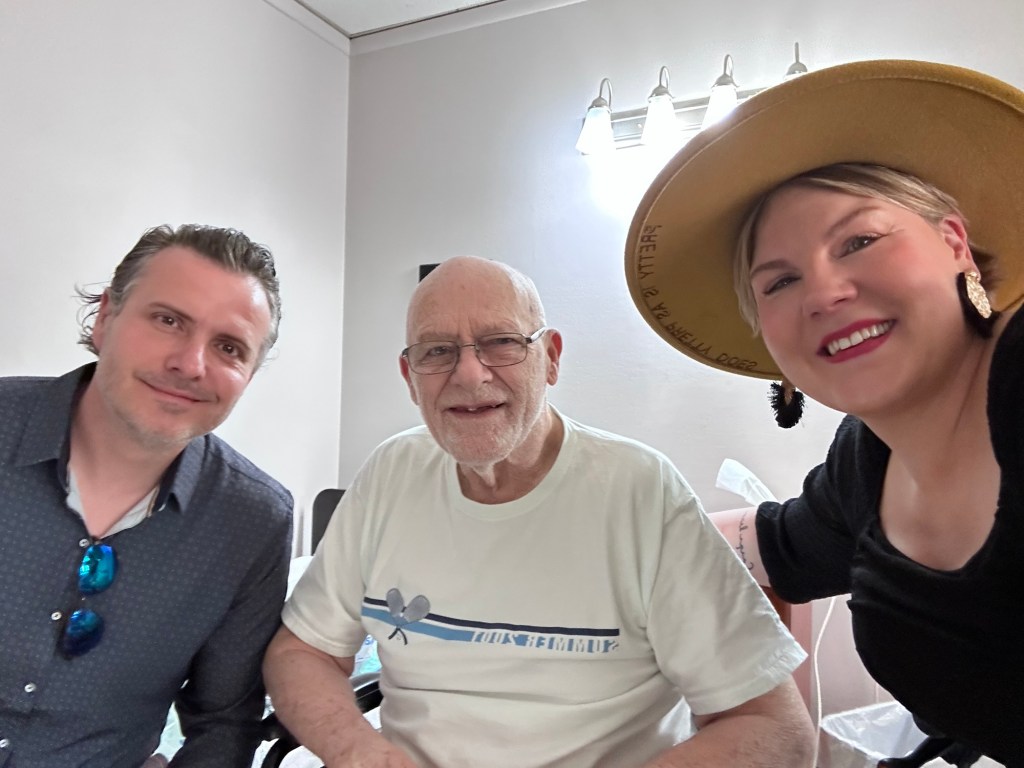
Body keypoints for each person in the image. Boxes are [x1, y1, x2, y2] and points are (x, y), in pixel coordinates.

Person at [262, 255, 814, 768]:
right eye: (437, 351)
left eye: (501, 342)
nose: (469, 374)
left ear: (550, 358)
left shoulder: (640, 491)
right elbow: (302, 652)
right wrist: (366, 755)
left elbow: (776, 728)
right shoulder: (390, 475)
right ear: (410, 378)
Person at [625, 59, 1024, 766]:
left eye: (859, 242)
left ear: (954, 244)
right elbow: (776, 545)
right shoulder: (864, 461)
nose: (824, 292)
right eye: (780, 281)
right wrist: (595, 534)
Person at [0, 224, 294, 767]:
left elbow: (223, 724)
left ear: (248, 376)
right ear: (105, 318)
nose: (191, 364)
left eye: (228, 348)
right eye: (168, 321)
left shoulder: (252, 520)